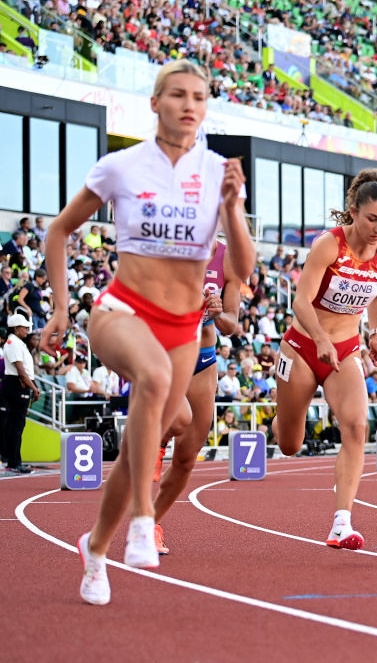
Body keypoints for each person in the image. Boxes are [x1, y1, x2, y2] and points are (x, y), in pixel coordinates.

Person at [42, 60, 253, 606]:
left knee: (140, 450)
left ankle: (95, 548)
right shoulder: (121, 167)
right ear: (155, 103)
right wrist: (62, 310)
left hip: (184, 326)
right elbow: (60, 231)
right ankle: (143, 519)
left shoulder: (216, 172)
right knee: (156, 379)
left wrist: (232, 207)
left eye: (199, 97)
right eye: (178, 94)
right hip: (123, 309)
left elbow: (244, 268)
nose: (189, 104)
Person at [271, 168, 377, 551]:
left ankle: (342, 522)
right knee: (291, 443)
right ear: (354, 212)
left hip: (345, 351)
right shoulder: (329, 245)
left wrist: (375, 335)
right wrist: (321, 338)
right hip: (303, 347)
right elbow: (300, 301)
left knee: (357, 427)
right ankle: (281, 417)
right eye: (372, 219)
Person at [151, 239, 243, 555]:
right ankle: (157, 441)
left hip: (203, 356)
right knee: (179, 419)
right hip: (165, 349)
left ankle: (150, 523)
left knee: (188, 456)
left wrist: (217, 313)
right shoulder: (167, 244)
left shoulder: (227, 257)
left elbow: (232, 324)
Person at [0, 313, 40, 473]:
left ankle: (15, 461)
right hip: (16, 383)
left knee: (17, 425)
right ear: (16, 329)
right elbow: (21, 371)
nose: (27, 330)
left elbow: (26, 371)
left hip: (20, 383)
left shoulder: (18, 342)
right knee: (16, 425)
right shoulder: (13, 343)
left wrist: (34, 384)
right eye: (25, 327)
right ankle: (14, 462)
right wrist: (33, 388)